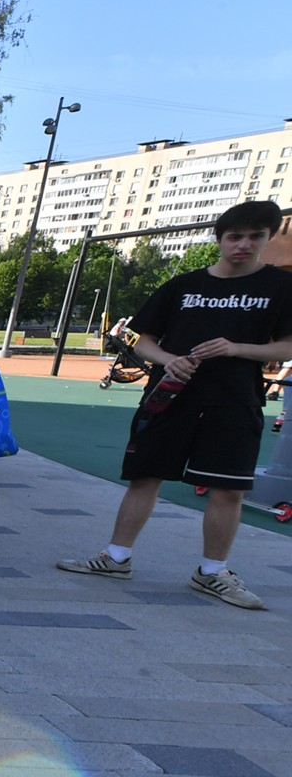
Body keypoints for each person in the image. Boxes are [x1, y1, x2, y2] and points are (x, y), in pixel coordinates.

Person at [59, 200, 292, 610]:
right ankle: (115, 558)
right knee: (145, 476)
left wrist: (238, 348)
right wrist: (169, 359)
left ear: (267, 239)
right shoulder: (183, 285)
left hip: (235, 401)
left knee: (228, 488)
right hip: (169, 396)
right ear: (219, 239)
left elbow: (287, 344)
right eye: (235, 236)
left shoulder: (280, 288)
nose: (244, 245)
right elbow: (143, 339)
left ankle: (212, 571)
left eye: (255, 237)